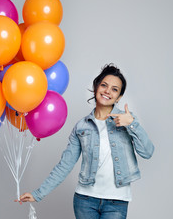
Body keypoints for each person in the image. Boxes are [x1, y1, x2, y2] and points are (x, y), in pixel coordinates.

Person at [18, 63, 154, 219]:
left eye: (114, 89)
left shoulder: (126, 120)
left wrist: (132, 124)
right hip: (85, 201)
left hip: (117, 202)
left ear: (119, 97)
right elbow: (65, 165)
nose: (107, 91)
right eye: (104, 85)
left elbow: (148, 152)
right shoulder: (81, 126)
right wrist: (38, 194)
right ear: (96, 86)